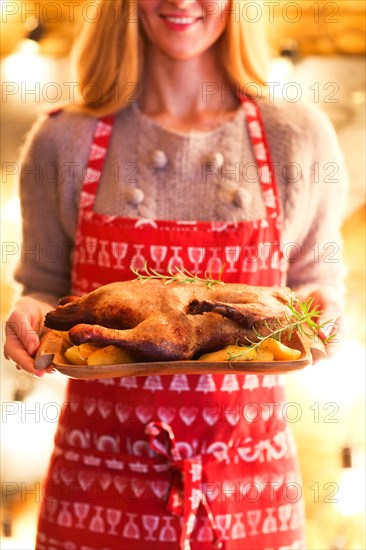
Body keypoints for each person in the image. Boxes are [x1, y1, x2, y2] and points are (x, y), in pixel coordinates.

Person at [4, 0, 347, 548]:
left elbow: (317, 282)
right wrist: (26, 315)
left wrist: (323, 311)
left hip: (247, 481)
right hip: (99, 477)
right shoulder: (64, 140)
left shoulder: (298, 136)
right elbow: (43, 288)